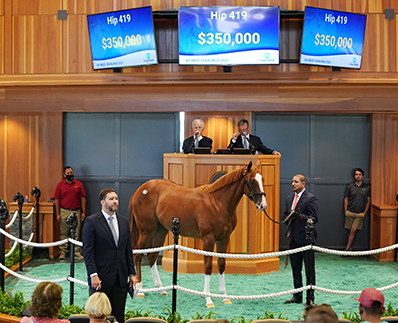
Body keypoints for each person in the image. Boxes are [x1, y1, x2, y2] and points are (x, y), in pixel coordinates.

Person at [82, 188, 137, 323]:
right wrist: (93, 274)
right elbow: (87, 251)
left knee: (118, 317)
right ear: (102, 202)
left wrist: (132, 273)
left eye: (116, 199)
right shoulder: (92, 222)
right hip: (100, 279)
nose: (115, 202)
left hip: (120, 279)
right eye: (111, 199)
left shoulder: (124, 222)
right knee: (98, 316)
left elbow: (127, 250)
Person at [283, 174, 318, 305]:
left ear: (303, 183)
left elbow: (314, 218)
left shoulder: (310, 199)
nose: (293, 184)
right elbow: (285, 215)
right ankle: (297, 296)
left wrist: (300, 216)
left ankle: (310, 298)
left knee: (309, 270)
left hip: (307, 240)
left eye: (296, 182)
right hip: (293, 239)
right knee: (295, 269)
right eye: (292, 181)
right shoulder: (288, 199)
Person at [53, 166, 86, 260]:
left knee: (77, 232)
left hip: (76, 211)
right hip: (64, 211)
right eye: (68, 173)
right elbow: (56, 200)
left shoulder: (79, 184)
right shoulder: (60, 185)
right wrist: (57, 214)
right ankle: (63, 252)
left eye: (71, 172)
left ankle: (77, 252)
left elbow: (83, 198)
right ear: (64, 175)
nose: (70, 174)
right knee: (64, 233)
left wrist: (83, 212)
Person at [344, 168, 371, 251]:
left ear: (363, 176)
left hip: (360, 213)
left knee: (353, 230)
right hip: (350, 212)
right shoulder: (350, 186)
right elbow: (346, 198)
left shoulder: (367, 187)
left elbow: (368, 201)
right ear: (354, 176)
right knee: (350, 230)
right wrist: (345, 210)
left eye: (360, 174)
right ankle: (350, 248)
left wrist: (365, 213)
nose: (358, 176)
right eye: (356, 174)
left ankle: (346, 249)